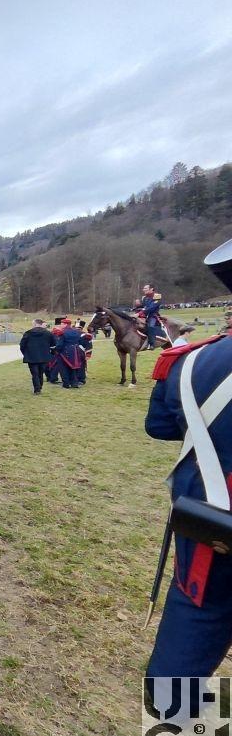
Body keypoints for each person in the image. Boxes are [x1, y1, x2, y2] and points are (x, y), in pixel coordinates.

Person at [144, 239, 232, 680]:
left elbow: (159, 427)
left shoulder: (190, 361)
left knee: (191, 633)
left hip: (212, 522)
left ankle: (175, 717)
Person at [19, 318, 55, 394]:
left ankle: (37, 389)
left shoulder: (28, 333)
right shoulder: (48, 333)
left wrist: (26, 353)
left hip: (31, 356)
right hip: (44, 356)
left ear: (35, 324)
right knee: (40, 373)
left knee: (34, 373)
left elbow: (22, 345)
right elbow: (53, 344)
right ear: (41, 324)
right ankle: (39, 387)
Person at [54, 318, 91, 389]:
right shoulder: (76, 331)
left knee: (63, 368)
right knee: (74, 367)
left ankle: (66, 384)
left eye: (62, 324)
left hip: (64, 351)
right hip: (75, 351)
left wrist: (56, 350)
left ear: (65, 324)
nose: (61, 325)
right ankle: (74, 383)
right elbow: (82, 340)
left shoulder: (62, 332)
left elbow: (60, 344)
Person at [136, 283, 163, 350]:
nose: (143, 290)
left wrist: (139, 313)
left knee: (150, 326)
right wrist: (137, 306)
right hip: (144, 316)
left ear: (151, 289)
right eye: (143, 288)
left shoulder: (157, 297)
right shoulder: (144, 298)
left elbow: (151, 308)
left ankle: (152, 344)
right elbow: (143, 306)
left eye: (145, 288)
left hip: (153, 316)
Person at [46, 317, 67, 384]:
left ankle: (51, 377)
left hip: (53, 350)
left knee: (53, 364)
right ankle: (53, 378)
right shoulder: (57, 332)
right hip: (56, 350)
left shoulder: (53, 331)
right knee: (55, 364)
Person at [76, 320, 93, 385]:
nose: (77, 329)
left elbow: (89, 345)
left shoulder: (86, 335)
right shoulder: (72, 333)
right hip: (75, 351)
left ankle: (81, 379)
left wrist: (88, 354)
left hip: (80, 351)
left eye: (78, 328)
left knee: (81, 365)